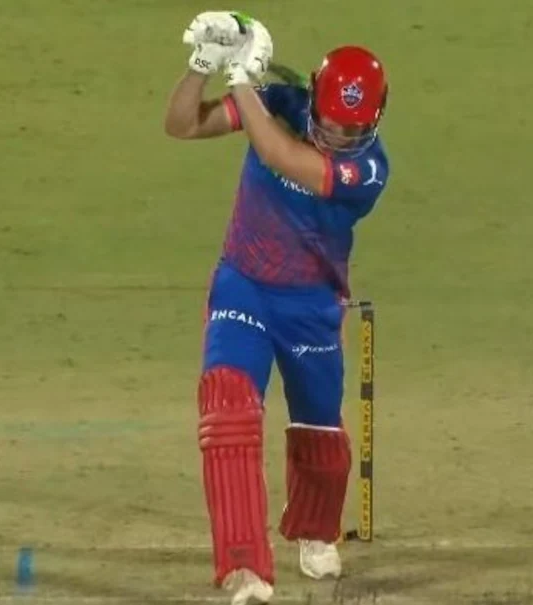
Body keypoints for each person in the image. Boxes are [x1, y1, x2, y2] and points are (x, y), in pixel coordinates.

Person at [164, 11, 390, 605]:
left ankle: (315, 531)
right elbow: (181, 126)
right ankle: (244, 566)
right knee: (227, 411)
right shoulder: (281, 102)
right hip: (244, 286)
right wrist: (203, 65)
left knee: (320, 431)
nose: (341, 137)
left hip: (312, 303)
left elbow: (282, 157)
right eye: (334, 124)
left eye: (354, 129)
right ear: (314, 98)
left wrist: (243, 78)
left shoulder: (369, 170)